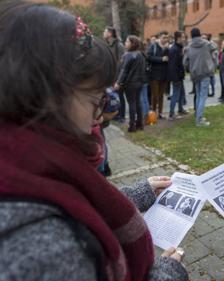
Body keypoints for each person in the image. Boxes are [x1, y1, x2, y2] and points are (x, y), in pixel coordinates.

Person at [0, 2, 188, 280]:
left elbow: (76, 203)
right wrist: (168, 274)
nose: (99, 117)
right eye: (94, 100)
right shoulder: (49, 252)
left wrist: (138, 193)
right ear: (48, 96)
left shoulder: (25, 163)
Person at [184, 27, 217, 126]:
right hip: (205, 72)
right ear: (199, 34)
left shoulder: (189, 47)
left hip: (195, 74)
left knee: (198, 95)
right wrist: (205, 40)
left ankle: (198, 116)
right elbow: (215, 46)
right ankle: (199, 119)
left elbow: (185, 62)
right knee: (203, 96)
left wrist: (189, 69)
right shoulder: (206, 44)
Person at [115, 35, 146, 132]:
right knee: (138, 103)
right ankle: (140, 124)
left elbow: (124, 70)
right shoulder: (141, 54)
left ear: (132, 44)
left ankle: (132, 125)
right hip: (139, 82)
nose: (125, 43)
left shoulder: (127, 55)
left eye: (127, 42)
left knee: (132, 103)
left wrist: (118, 82)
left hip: (130, 83)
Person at [148, 31, 169, 119]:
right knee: (155, 95)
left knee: (161, 95)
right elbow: (149, 57)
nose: (165, 39)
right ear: (159, 38)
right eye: (164, 37)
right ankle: (153, 113)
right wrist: (161, 59)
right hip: (154, 74)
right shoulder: (154, 46)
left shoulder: (168, 48)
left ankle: (160, 113)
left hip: (164, 74)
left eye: (167, 37)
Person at [167, 31, 187, 120]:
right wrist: (176, 78)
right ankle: (171, 113)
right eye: (183, 37)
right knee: (176, 94)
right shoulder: (174, 49)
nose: (184, 39)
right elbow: (172, 65)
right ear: (178, 38)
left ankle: (180, 109)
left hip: (180, 75)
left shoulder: (179, 48)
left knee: (181, 93)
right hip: (176, 76)